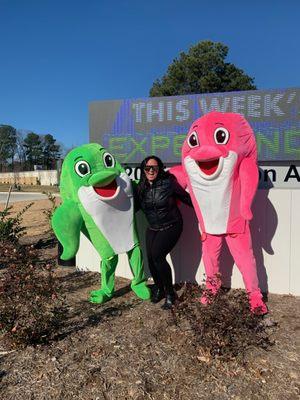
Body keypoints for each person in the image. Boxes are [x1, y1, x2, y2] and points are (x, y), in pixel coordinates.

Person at [135, 155, 192, 309]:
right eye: (147, 168)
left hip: (172, 225)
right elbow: (133, 207)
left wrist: (206, 213)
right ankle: (159, 288)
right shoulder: (141, 187)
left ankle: (170, 293)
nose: (151, 170)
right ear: (143, 170)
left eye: (154, 167)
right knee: (151, 258)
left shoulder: (168, 183)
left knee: (158, 256)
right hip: (153, 227)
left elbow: (186, 198)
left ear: (159, 168)